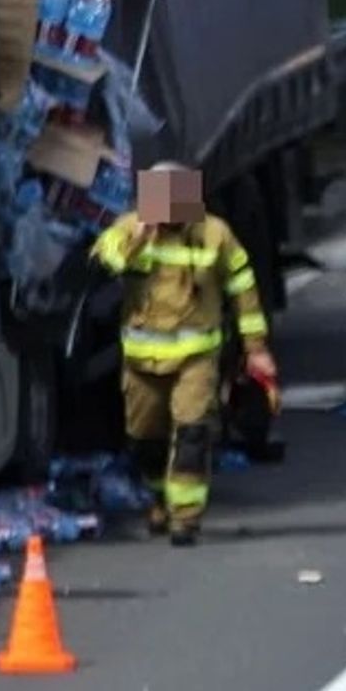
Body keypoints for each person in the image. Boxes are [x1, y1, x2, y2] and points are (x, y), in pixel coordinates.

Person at [89, 161, 277, 547]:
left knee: (192, 431)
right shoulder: (131, 228)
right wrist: (140, 235)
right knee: (145, 437)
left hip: (197, 357)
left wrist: (256, 348)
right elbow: (106, 259)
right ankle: (159, 496)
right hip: (142, 361)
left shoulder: (214, 234)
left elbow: (243, 287)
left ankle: (185, 518)